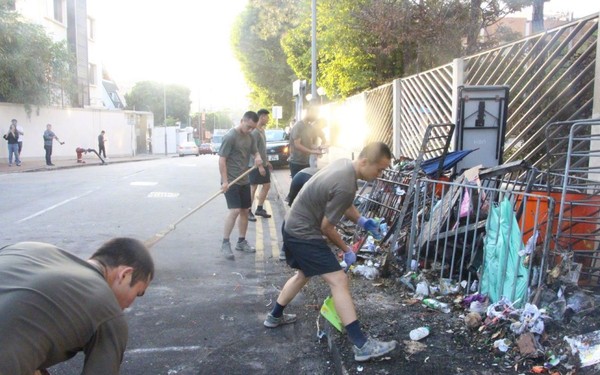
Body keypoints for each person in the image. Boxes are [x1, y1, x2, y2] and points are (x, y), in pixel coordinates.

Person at [264, 142, 397, 362]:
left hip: (292, 225)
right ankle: (362, 345)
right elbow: (327, 226)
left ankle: (274, 316)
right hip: (304, 233)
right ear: (364, 162)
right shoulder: (347, 184)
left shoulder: (344, 165)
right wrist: (346, 250)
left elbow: (342, 202)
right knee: (339, 280)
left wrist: (362, 220)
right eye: (379, 169)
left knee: (303, 274)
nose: (380, 174)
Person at [0, 237, 155, 375]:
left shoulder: (25, 248)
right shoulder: (108, 310)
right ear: (125, 275)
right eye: (138, 293)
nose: (130, 305)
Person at [218, 111, 262, 260]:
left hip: (244, 179)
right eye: (248, 126)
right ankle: (225, 243)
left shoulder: (250, 137)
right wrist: (225, 181)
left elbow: (255, 152)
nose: (250, 130)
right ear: (242, 120)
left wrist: (258, 158)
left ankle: (241, 242)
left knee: (245, 210)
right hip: (230, 181)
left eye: (253, 128)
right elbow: (222, 160)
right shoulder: (230, 137)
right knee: (235, 210)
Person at [248, 109, 272, 222]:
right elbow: (253, 150)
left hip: (263, 163)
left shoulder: (262, 130)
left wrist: (267, 162)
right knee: (253, 188)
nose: (268, 119)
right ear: (262, 117)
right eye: (267, 117)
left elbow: (262, 149)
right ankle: (248, 211)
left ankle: (259, 208)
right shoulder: (254, 132)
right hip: (255, 165)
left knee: (267, 185)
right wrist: (260, 166)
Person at [287, 106, 322, 178]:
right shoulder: (298, 126)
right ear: (308, 113)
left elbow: (309, 144)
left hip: (305, 162)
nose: (315, 117)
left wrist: (318, 147)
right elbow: (297, 145)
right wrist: (313, 152)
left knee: (306, 185)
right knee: (297, 186)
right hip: (296, 162)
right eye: (314, 114)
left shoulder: (309, 127)